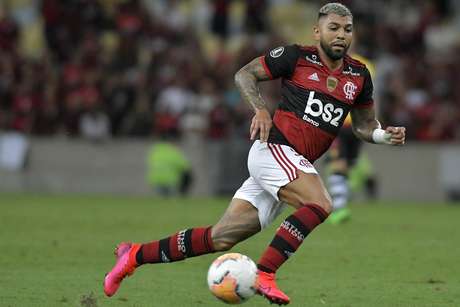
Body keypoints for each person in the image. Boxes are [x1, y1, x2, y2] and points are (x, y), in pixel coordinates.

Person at [103, 3, 406, 305]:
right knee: (321, 203)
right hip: (275, 149)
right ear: (318, 31)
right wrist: (260, 109)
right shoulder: (296, 57)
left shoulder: (359, 75)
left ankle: (134, 256)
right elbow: (244, 75)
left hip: (293, 165)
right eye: (334, 28)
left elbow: (364, 125)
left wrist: (382, 135)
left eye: (347, 29)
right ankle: (265, 273)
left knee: (221, 236)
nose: (341, 35)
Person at [326, 53, 377, 224]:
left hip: (343, 123)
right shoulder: (366, 65)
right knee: (343, 163)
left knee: (342, 164)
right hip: (352, 125)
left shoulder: (332, 64)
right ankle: (340, 206)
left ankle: (340, 206)